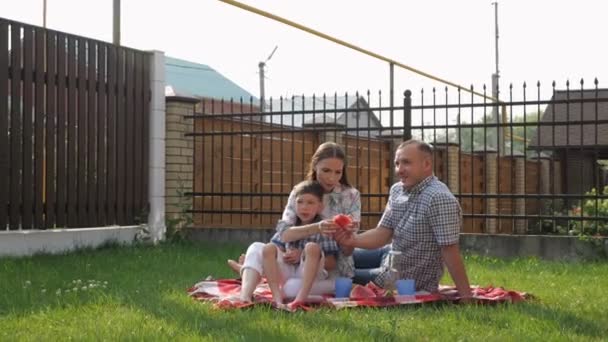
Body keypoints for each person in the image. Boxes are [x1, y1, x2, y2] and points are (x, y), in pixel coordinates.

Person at [335, 139, 472, 299]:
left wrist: (467, 297)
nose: (399, 170)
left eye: (406, 163)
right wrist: (352, 240)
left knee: (336, 270)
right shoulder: (397, 190)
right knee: (333, 254)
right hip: (389, 254)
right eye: (397, 163)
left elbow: (450, 250)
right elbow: (384, 233)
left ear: (426, 164)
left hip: (400, 278)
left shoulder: (438, 198)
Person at [230, 142, 361, 305]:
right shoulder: (300, 191)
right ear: (315, 165)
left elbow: (347, 251)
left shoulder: (351, 195)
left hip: (327, 270)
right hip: (291, 265)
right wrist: (313, 231)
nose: (331, 178)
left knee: (290, 288)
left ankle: (250, 272)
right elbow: (284, 233)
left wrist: (348, 236)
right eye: (326, 170)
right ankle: (244, 297)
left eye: (338, 172)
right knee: (257, 248)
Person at [262, 180, 340, 307]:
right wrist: (284, 254)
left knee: (311, 248)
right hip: (288, 274)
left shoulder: (324, 229)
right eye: (300, 202)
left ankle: (300, 299)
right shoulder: (289, 227)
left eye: (310, 203)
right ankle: (277, 299)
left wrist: (302, 256)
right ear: (294, 204)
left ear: (320, 207)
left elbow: (331, 263)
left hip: (312, 276)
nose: (304, 207)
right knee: (268, 248)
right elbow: (272, 252)